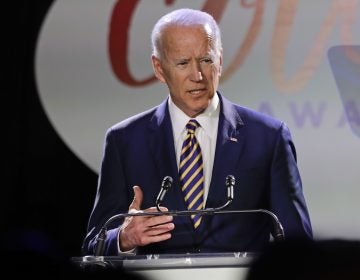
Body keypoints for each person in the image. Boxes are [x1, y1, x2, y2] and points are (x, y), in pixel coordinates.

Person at [82, 8, 312, 256]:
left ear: (220, 61)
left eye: (206, 60)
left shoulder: (268, 138)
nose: (198, 76)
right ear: (159, 69)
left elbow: (298, 244)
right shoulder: (124, 142)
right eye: (183, 63)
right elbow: (94, 245)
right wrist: (124, 238)